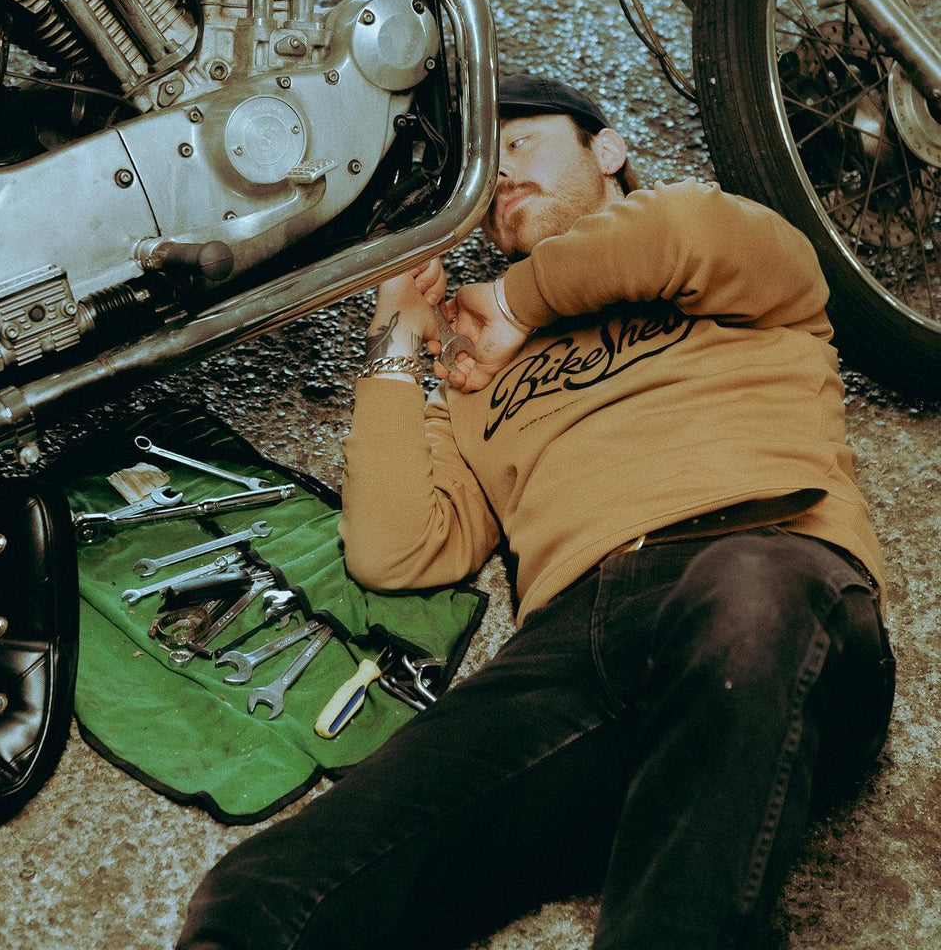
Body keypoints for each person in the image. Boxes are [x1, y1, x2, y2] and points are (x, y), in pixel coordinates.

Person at [177, 73, 895, 950]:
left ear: (609, 149)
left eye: (518, 141)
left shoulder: (728, 255)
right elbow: (394, 550)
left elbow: (685, 231)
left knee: (743, 600)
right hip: (575, 647)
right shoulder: (480, 372)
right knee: (261, 895)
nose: (499, 174)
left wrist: (518, 302)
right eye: (480, 174)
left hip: (770, 570)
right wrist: (400, 333)